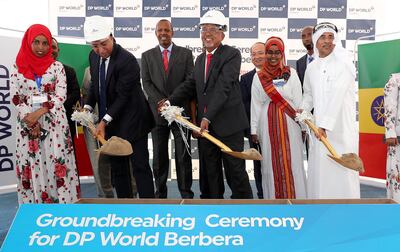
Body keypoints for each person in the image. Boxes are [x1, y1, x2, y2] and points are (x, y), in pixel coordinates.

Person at [159, 10, 253, 199]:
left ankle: (245, 211)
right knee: (210, 174)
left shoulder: (232, 54)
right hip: (207, 129)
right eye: (204, 29)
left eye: (212, 29)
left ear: (222, 33)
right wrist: (169, 101)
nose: (207, 34)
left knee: (236, 172)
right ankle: (213, 210)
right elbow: (190, 85)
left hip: (228, 126)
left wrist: (207, 117)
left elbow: (223, 88)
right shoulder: (201, 59)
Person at [83, 15, 155, 198]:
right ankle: (125, 207)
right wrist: (87, 110)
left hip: (134, 121)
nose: (100, 50)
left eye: (103, 44)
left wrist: (104, 121)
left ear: (111, 36)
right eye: (95, 45)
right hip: (113, 122)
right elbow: (95, 86)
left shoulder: (127, 60)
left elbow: (123, 96)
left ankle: (150, 207)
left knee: (140, 167)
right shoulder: (93, 57)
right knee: (118, 168)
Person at [10, 24, 80, 204]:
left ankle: (62, 207)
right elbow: (16, 96)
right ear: (28, 42)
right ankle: (34, 208)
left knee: (56, 161)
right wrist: (31, 120)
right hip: (28, 125)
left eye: (45, 43)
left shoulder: (57, 67)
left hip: (54, 123)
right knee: (32, 162)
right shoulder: (17, 67)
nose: (41, 47)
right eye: (36, 42)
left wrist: (38, 113)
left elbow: (61, 95)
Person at [300, 22, 360, 199]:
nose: (327, 41)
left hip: (340, 128)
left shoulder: (345, 63)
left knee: (343, 170)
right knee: (321, 170)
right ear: (316, 41)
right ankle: (321, 208)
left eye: (330, 37)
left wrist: (325, 125)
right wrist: (303, 109)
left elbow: (337, 96)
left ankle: (347, 211)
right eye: (323, 37)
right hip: (319, 130)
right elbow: (309, 94)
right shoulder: (311, 68)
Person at [142, 19, 194, 199]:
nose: (163, 33)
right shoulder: (147, 56)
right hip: (157, 114)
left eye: (167, 30)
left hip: (180, 112)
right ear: (155, 33)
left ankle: (186, 195)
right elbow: (146, 83)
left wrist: (170, 101)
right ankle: (160, 195)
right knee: (159, 157)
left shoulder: (186, 54)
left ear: (173, 32)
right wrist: (161, 103)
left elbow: (189, 81)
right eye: (160, 30)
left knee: (183, 156)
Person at [250, 37, 306, 199]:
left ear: (282, 54)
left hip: (290, 122)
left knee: (292, 161)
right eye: (269, 52)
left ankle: (296, 199)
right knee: (270, 162)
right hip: (267, 124)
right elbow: (256, 104)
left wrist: (303, 126)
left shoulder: (292, 73)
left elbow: (298, 100)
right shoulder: (258, 77)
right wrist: (254, 130)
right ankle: (274, 201)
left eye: (277, 53)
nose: (273, 56)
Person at [239, 42, 265, 199]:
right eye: (253, 54)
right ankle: (262, 196)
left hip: (276, 129)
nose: (256, 57)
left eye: (260, 53)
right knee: (258, 165)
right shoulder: (246, 78)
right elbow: (243, 105)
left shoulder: (280, 76)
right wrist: (250, 131)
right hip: (254, 131)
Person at [51, 38, 80, 145]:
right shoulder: (33, 72)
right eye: (47, 46)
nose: (51, 50)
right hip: (41, 121)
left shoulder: (69, 71)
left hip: (65, 120)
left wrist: (56, 108)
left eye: (53, 47)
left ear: (58, 50)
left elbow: (75, 93)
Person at [384, 73, 400, 201]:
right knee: (397, 176)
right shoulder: (395, 79)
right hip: (397, 140)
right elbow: (389, 106)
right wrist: (390, 132)